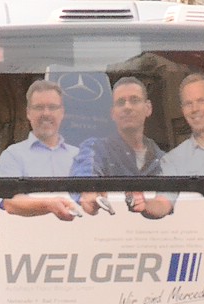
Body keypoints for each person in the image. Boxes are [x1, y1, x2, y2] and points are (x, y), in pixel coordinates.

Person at [69, 76, 174, 219]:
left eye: (134, 100)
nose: (127, 107)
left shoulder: (164, 160)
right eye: (120, 102)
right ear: (113, 113)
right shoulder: (95, 148)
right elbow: (85, 174)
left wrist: (145, 204)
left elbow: (165, 202)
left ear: (148, 108)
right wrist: (90, 194)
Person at [0, 79, 80, 220]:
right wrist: (49, 205)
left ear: (62, 112)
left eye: (52, 107)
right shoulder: (12, 155)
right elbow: (10, 202)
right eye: (39, 107)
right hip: (31, 237)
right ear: (28, 113)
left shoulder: (79, 156)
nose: (46, 113)